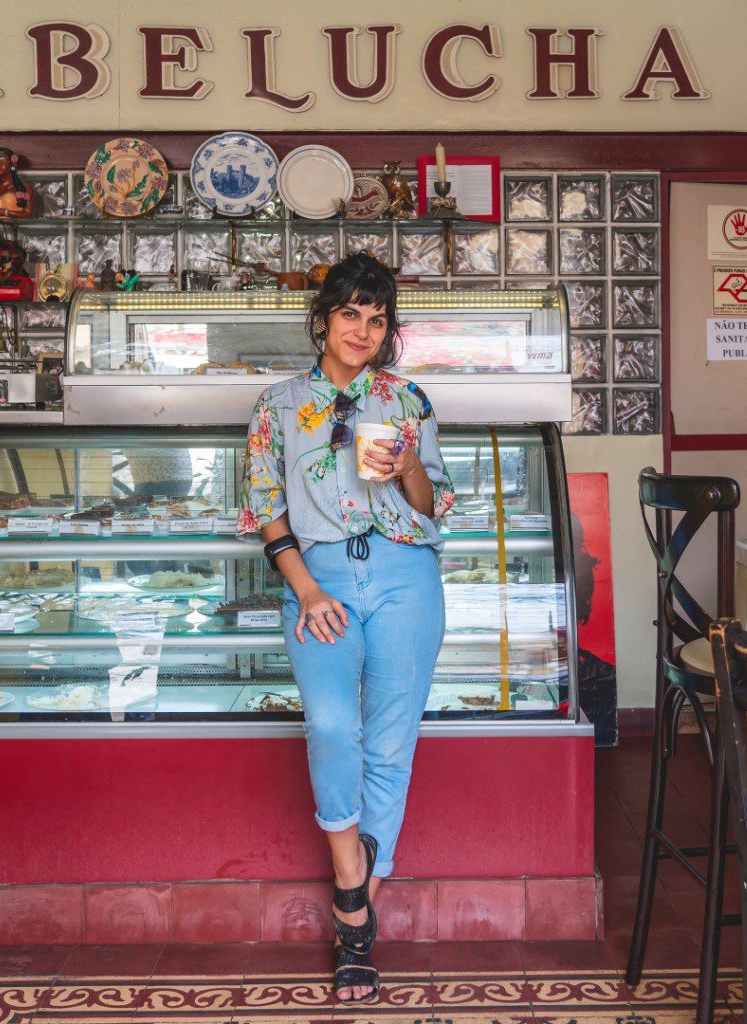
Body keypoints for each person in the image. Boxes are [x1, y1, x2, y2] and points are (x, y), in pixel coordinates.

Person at [238, 251, 455, 1002]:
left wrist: (406, 473)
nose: (363, 329)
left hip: (405, 577)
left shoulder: (407, 399)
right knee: (333, 726)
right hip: (321, 578)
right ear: (323, 320)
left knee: (391, 738)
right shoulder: (277, 405)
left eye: (377, 317)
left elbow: (434, 504)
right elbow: (265, 508)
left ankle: (354, 918)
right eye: (350, 314)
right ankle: (353, 874)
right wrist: (304, 590)